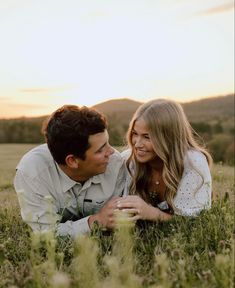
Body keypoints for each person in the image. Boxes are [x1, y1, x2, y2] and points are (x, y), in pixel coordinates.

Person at [14, 105, 125, 238]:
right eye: (100, 149)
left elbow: (121, 222)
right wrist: (95, 222)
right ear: (72, 161)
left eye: (108, 143)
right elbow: (46, 234)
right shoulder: (32, 173)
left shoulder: (115, 164)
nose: (111, 152)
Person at [117, 99, 212, 222]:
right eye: (135, 134)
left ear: (168, 137)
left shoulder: (193, 161)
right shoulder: (129, 160)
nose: (137, 144)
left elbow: (192, 223)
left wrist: (152, 213)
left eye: (147, 137)